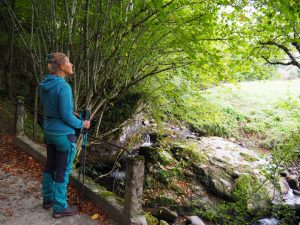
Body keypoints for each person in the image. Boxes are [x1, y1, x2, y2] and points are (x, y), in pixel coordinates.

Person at [39, 52, 90, 218]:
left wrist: (69, 113)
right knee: (62, 170)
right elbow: (66, 116)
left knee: (50, 166)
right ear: (61, 67)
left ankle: (47, 199)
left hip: (49, 131)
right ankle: (60, 207)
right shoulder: (63, 86)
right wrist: (82, 124)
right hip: (63, 135)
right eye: (69, 62)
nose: (72, 65)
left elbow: (53, 109)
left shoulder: (45, 83)